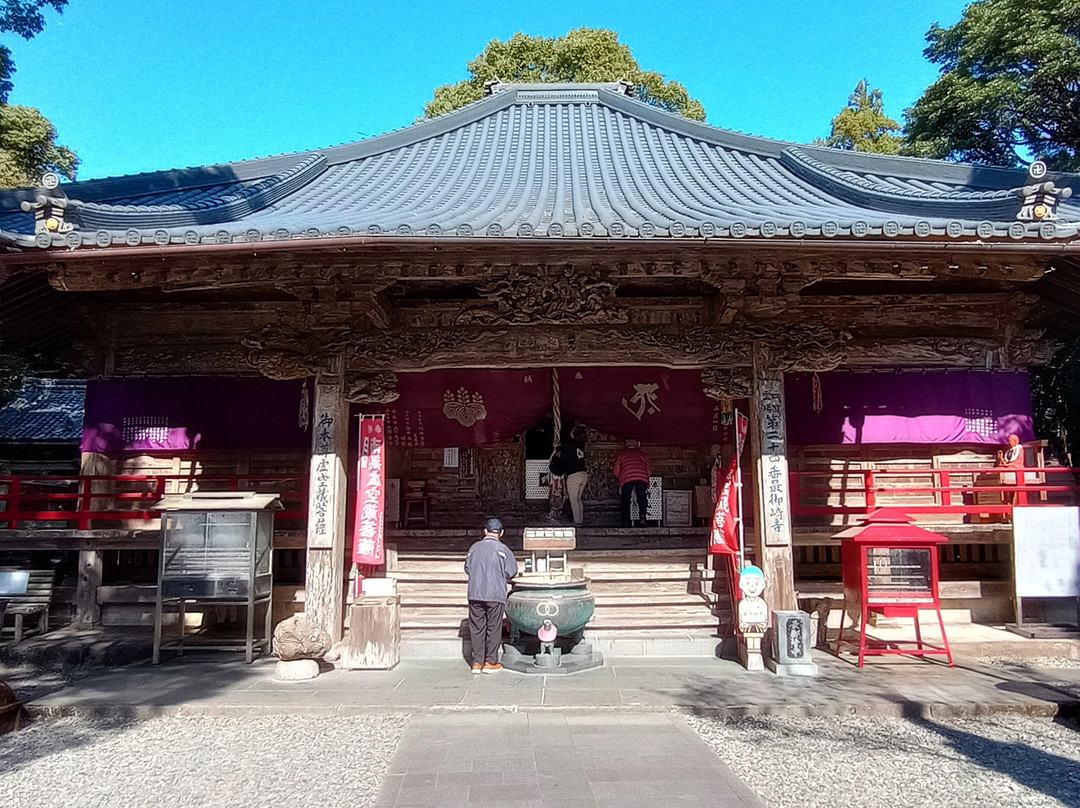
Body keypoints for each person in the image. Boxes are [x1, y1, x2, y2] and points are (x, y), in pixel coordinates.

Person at [464, 517, 518, 674]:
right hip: (495, 594)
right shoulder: (503, 550)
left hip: (475, 593)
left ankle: (476, 662)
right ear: (501, 533)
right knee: (493, 628)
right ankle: (490, 662)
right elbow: (511, 571)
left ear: (485, 531)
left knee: (476, 628)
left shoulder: (474, 548)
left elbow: (467, 568)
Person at [613, 439, 651, 527]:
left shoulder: (622, 455)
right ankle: (642, 518)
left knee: (626, 498)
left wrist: (619, 478)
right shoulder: (642, 454)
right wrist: (646, 478)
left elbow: (616, 470)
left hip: (627, 477)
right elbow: (648, 470)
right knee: (641, 497)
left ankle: (626, 521)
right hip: (641, 477)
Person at [556, 425, 588, 525]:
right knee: (579, 499)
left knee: (574, 500)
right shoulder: (581, 445)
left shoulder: (570, 446)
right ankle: (580, 520)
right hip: (583, 474)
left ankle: (577, 522)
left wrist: (557, 449)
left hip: (574, 475)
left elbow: (564, 458)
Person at [996, 434, 1024, 506]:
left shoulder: (1019, 449)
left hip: (1016, 467)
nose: (1009, 443)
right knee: (998, 469)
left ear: (1015, 441)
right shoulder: (1009, 450)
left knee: (1004, 470)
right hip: (1009, 466)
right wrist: (1001, 459)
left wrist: (1008, 465)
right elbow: (1006, 461)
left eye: (1010, 441)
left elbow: (1019, 462)